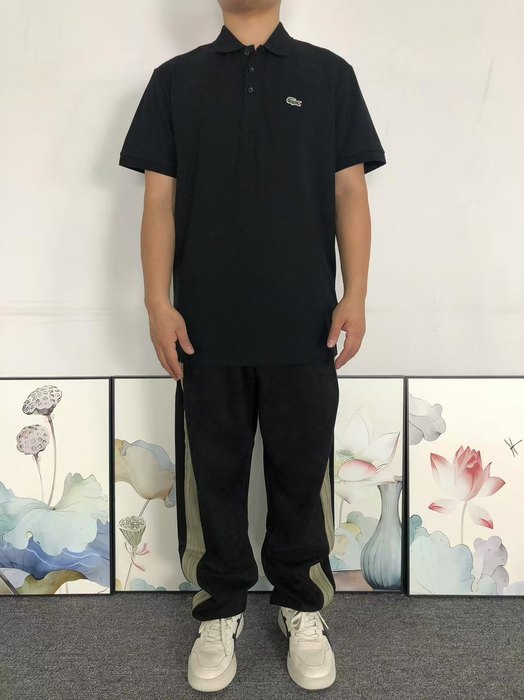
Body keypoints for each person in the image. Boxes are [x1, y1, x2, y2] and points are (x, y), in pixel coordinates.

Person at [118, 0, 386, 692]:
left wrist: (355, 294)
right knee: (214, 476)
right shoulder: (175, 81)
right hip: (205, 327)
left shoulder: (329, 76)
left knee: (302, 474)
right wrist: (157, 304)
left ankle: (303, 604)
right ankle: (220, 609)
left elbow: (350, 192)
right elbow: (158, 202)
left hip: (305, 323)